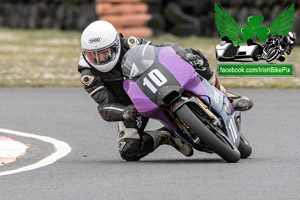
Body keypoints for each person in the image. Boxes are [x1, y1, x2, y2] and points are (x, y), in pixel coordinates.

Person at [78, 20, 253, 161]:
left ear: (115, 45)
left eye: (104, 53)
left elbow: (159, 51)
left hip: (155, 82)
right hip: (131, 106)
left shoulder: (129, 44)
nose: (99, 59)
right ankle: (166, 136)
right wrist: (124, 112)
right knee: (129, 150)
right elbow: (104, 106)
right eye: (93, 55)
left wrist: (182, 55)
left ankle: (226, 95)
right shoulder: (88, 75)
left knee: (195, 57)